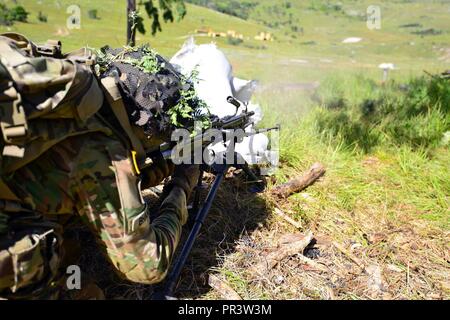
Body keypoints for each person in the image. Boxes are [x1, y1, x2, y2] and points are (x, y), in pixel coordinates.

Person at [0, 33, 200, 299]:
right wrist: (180, 187)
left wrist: (155, 172)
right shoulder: (104, 152)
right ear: (147, 130)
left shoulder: (68, 100)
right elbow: (148, 265)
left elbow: (79, 181)